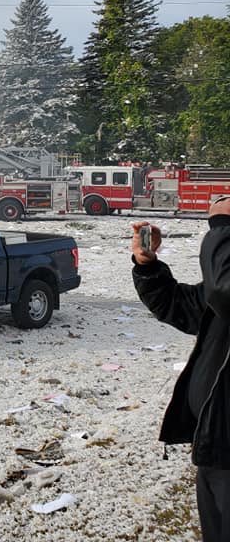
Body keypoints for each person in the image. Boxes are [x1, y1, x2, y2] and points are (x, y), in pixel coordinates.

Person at [131, 196, 230, 540]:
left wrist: (221, 226)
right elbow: (181, 306)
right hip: (216, 440)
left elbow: (224, 290)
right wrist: (147, 265)